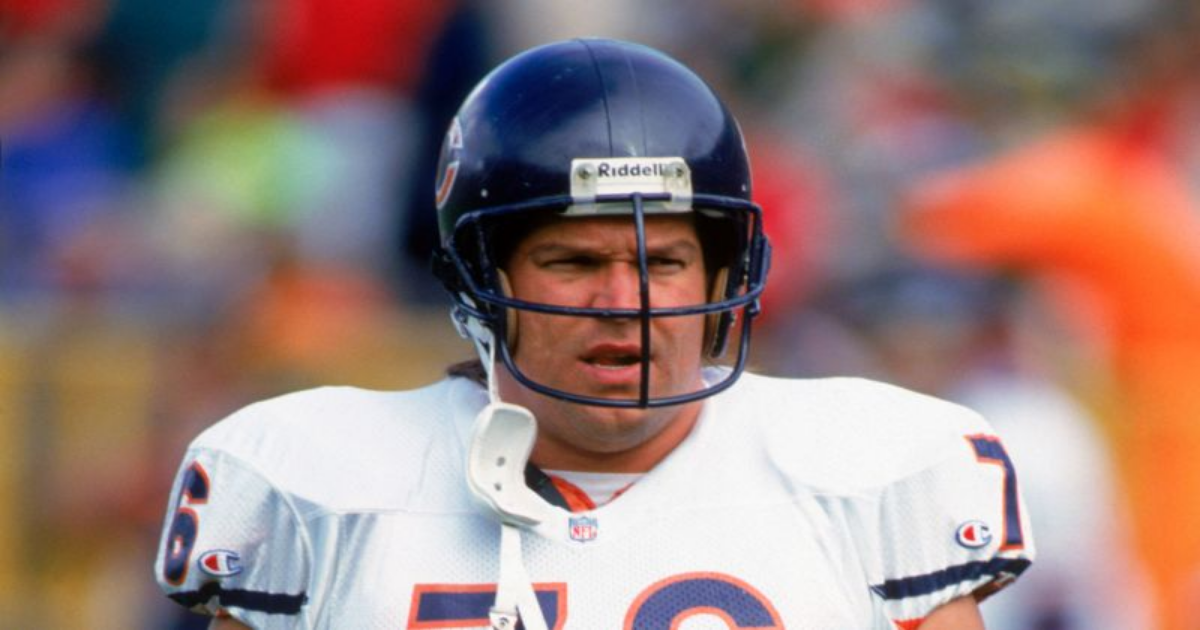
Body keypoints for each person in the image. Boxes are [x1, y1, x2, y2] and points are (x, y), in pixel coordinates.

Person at [153, 38, 1034, 629]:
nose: (624, 300)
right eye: (573, 261)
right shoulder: (318, 480)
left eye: (664, 262)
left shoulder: (873, 471)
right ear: (485, 279)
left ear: (722, 277)